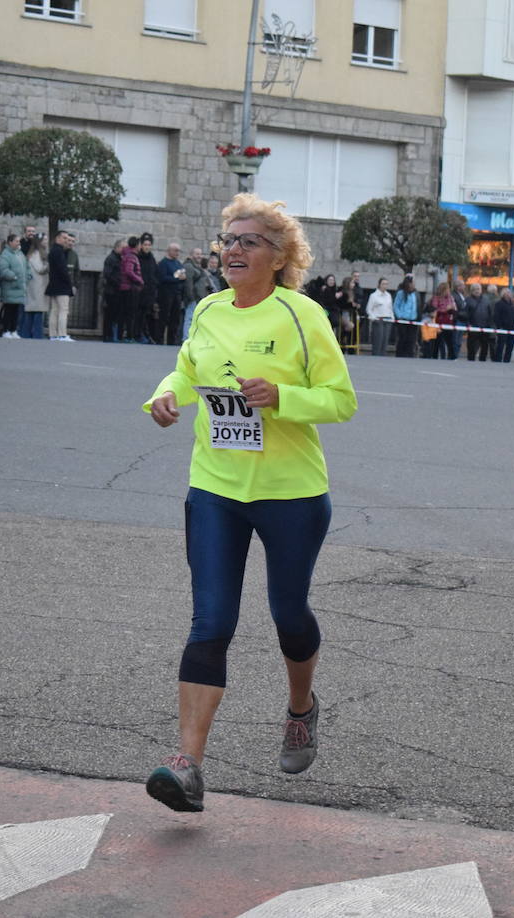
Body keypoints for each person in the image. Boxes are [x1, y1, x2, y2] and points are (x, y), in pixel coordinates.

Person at [142, 193, 358, 813]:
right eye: (228, 240)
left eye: (248, 241)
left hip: (291, 492)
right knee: (211, 622)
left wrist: (283, 395)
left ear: (278, 255)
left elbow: (341, 400)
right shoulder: (207, 309)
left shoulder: (302, 315)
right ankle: (187, 763)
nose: (232, 249)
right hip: (215, 486)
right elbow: (186, 372)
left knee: (289, 615)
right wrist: (163, 396)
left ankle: (300, 709)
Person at [0, 233, 30, 338]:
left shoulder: (20, 254)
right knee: (8, 310)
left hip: (19, 288)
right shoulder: (6, 254)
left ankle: (13, 330)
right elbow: (3, 269)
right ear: (10, 242)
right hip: (10, 287)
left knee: (16, 311)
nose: (18, 243)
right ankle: (6, 330)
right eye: (16, 241)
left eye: (19, 241)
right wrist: (14, 277)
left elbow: (26, 266)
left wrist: (28, 276)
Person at [155, 243, 188, 346]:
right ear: (169, 251)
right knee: (164, 317)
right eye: (175, 250)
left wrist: (182, 278)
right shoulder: (163, 263)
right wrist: (177, 278)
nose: (177, 253)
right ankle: (159, 339)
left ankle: (171, 341)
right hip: (166, 294)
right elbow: (162, 278)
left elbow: (182, 276)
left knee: (175, 319)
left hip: (177, 294)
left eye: (178, 251)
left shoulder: (178, 263)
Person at [46, 229, 76, 341]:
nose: (66, 240)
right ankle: (62, 334)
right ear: (57, 238)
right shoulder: (59, 251)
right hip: (61, 285)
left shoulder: (53, 250)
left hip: (54, 284)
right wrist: (69, 283)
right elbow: (62, 270)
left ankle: (53, 334)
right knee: (63, 310)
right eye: (64, 238)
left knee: (54, 310)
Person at [22, 232, 50, 339]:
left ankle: (28, 334)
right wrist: (48, 264)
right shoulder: (35, 254)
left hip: (38, 285)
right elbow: (40, 269)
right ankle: (36, 334)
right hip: (36, 286)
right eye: (44, 240)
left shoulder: (39, 253)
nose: (46, 242)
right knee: (36, 310)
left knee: (33, 310)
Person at [117, 235, 145, 342]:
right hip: (130, 288)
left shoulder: (127, 255)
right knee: (130, 313)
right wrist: (140, 280)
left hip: (126, 288)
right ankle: (129, 336)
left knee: (124, 313)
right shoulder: (131, 256)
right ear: (137, 245)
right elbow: (129, 272)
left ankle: (121, 336)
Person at [136, 232, 159, 344]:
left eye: (149, 245)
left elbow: (154, 275)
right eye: (145, 245)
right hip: (139, 292)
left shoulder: (152, 259)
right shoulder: (137, 257)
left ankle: (145, 335)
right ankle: (138, 334)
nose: (147, 247)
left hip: (149, 293)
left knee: (146, 315)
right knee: (138, 315)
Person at [101, 236, 123, 342]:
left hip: (116, 291)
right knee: (109, 314)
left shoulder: (119, 258)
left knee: (115, 314)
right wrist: (119, 282)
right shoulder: (111, 259)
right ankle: (108, 335)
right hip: (111, 291)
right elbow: (108, 274)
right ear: (117, 248)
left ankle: (112, 335)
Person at [428, 281, 457, 360]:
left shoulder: (450, 297)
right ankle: (434, 356)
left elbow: (453, 308)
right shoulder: (436, 298)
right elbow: (435, 310)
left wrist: (453, 308)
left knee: (450, 341)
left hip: (448, 322)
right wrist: (445, 309)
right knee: (437, 341)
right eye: (447, 289)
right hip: (439, 322)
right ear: (443, 290)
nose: (448, 291)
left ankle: (452, 357)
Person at [467, 284, 496, 362]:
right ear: (472, 291)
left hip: (485, 327)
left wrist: (490, 324)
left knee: (484, 346)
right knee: (472, 346)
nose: (477, 291)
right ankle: (471, 360)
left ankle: (482, 360)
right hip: (473, 327)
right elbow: (465, 313)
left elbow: (490, 313)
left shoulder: (486, 300)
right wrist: (468, 324)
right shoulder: (468, 300)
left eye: (478, 289)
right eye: (475, 289)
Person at [365, 276, 393, 356]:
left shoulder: (388, 295)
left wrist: (392, 317)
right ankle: (376, 356)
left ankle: (383, 356)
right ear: (379, 285)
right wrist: (373, 317)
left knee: (385, 341)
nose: (385, 286)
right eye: (383, 284)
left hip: (387, 320)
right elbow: (369, 309)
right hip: (378, 319)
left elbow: (390, 308)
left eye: (386, 284)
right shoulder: (374, 296)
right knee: (378, 340)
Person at [493, 287, 514, 362]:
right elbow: (496, 316)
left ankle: (507, 360)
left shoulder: (512, 305)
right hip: (503, 329)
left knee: (510, 346)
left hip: (512, 329)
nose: (509, 295)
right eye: (507, 293)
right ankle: (498, 360)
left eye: (510, 293)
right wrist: (499, 326)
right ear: (503, 294)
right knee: (500, 346)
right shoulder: (499, 304)